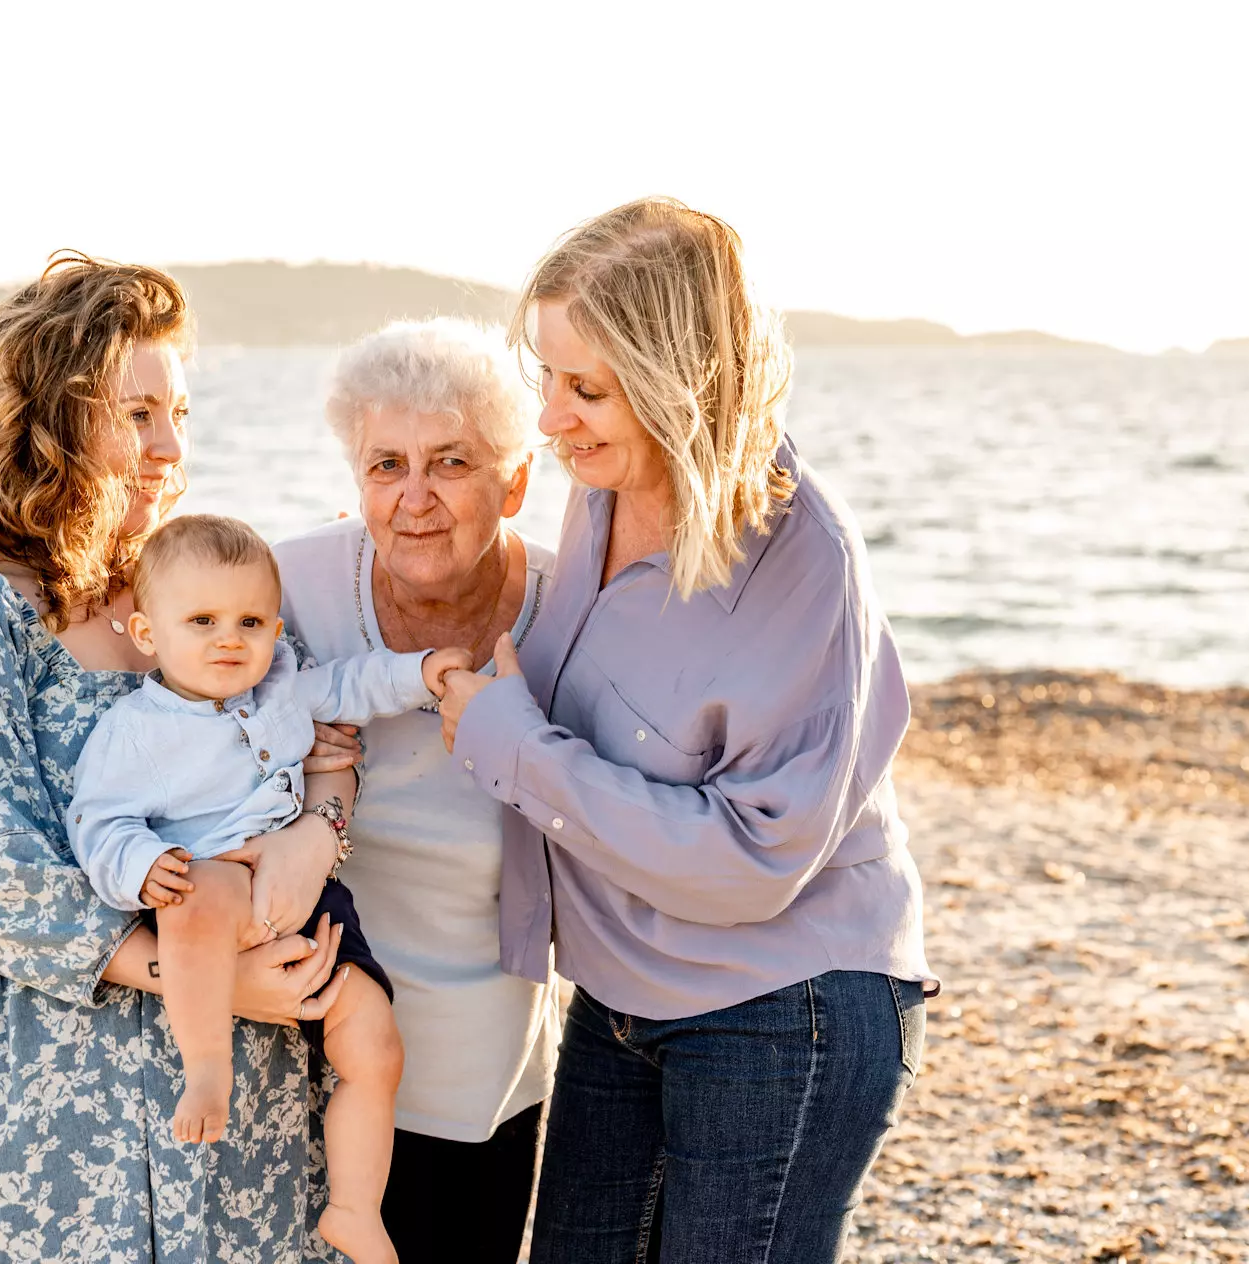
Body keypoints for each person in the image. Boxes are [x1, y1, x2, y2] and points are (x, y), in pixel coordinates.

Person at [436, 199, 938, 1264]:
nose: (552, 418)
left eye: (586, 389)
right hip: (619, 990)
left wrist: (510, 743)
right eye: (547, 379)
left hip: (783, 1003)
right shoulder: (598, 497)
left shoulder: (803, 560)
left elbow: (753, 860)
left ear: (681, 379)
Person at [0, 254, 357, 1263]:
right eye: (137, 414)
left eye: (179, 412)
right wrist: (212, 984)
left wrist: (320, 828)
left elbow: (312, 729)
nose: (170, 446)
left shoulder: (182, 589)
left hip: (231, 1088)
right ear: (50, 418)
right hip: (52, 1092)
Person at [67, 512, 470, 1264]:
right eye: (203, 621)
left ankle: (353, 1208)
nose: (230, 638)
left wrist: (420, 674)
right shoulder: (136, 729)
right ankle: (207, 1071)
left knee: (374, 1034)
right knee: (199, 890)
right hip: (211, 883)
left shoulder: (283, 685)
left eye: (250, 621)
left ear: (275, 629)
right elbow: (99, 819)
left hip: (306, 897)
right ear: (148, 634)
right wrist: (138, 865)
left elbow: (354, 684)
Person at [273, 318, 562, 1262]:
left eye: (451, 463)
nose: (414, 498)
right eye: (385, 465)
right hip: (305, 1029)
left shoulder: (570, 609)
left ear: (514, 482)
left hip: (490, 1044)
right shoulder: (290, 586)